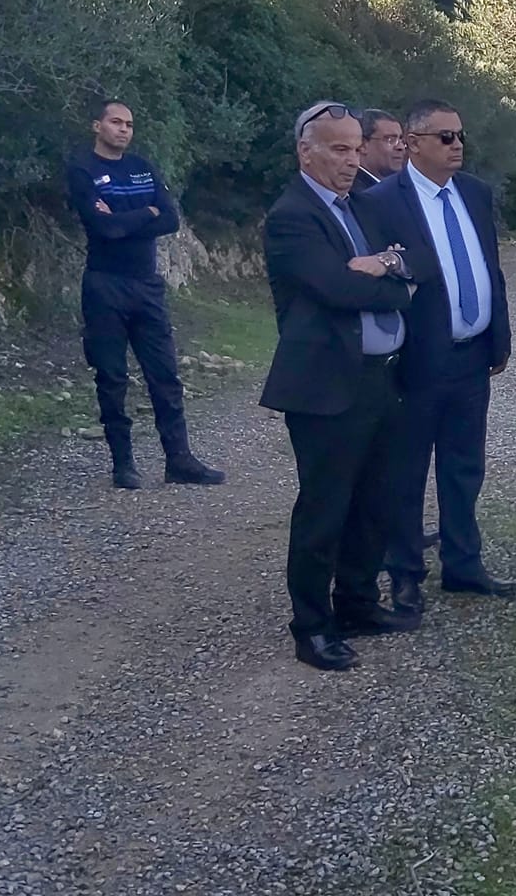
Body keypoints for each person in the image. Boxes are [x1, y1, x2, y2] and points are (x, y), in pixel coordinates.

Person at [260, 100, 421, 671]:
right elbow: (337, 289)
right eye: (339, 149)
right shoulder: (292, 216)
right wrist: (394, 280)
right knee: (324, 509)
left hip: (381, 377)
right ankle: (312, 626)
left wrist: (387, 266)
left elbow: (416, 261)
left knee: (375, 501)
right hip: (327, 385)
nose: (352, 160)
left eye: (356, 149)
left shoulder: (362, 207)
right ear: (306, 152)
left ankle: (357, 604)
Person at [357, 100, 516, 614]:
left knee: (464, 466)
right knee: (405, 472)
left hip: (471, 356)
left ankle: (463, 564)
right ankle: (405, 574)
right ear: (412, 143)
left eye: (461, 135)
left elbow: (490, 267)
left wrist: (499, 335)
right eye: (445, 137)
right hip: (417, 359)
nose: (457, 145)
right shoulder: (382, 202)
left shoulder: (474, 193)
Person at [65, 99, 225, 489]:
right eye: (116, 122)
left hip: (147, 285)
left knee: (165, 374)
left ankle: (179, 460)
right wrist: (146, 214)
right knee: (112, 376)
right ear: (97, 126)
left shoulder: (142, 167)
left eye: (129, 124)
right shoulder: (82, 169)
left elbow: (169, 219)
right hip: (105, 285)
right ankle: (123, 464)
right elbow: (104, 229)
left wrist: (128, 217)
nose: (123, 129)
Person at [353, 107, 407, 193]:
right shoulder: (353, 192)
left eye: (401, 140)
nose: (401, 147)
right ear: (362, 145)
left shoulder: (400, 188)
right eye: (390, 139)